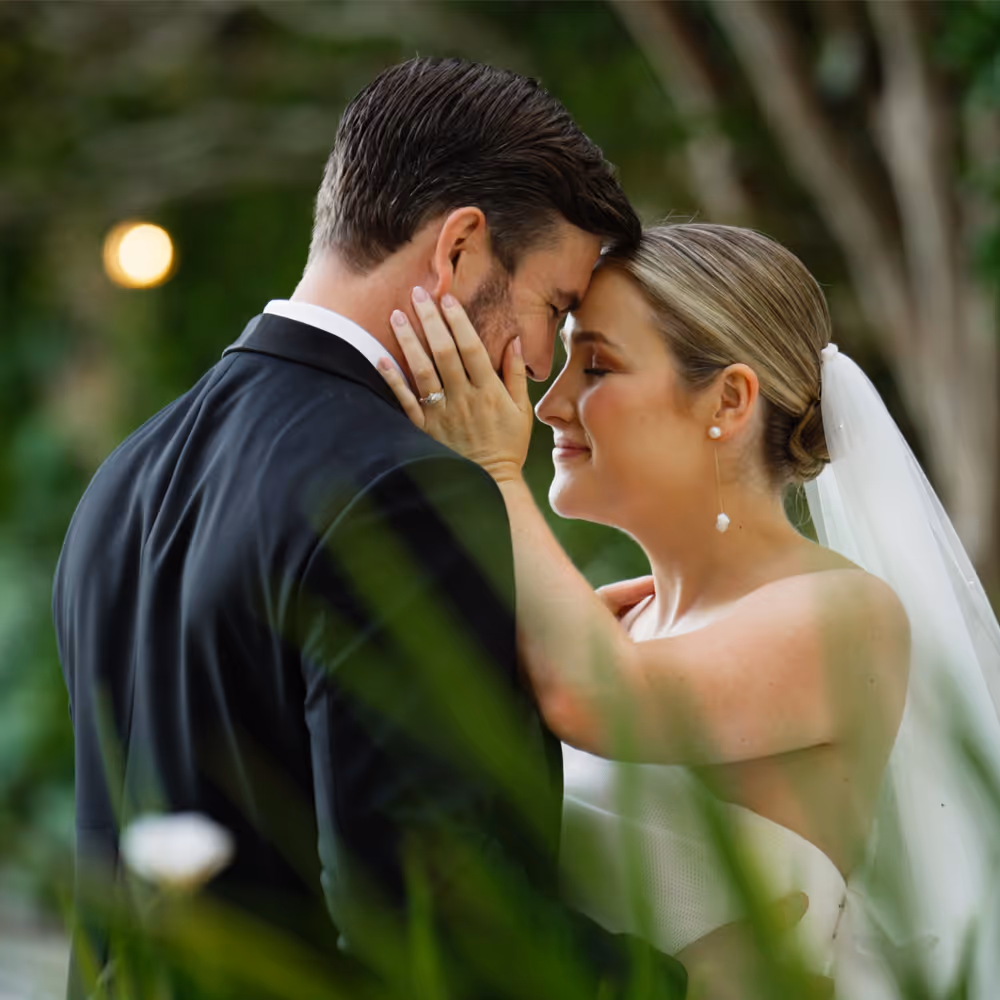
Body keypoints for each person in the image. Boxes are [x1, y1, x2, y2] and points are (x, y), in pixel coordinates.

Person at [55, 56, 710, 1000]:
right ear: (459, 250)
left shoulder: (130, 473)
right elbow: (422, 905)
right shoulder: (408, 491)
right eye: (553, 309)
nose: (535, 364)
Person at [378, 222, 1000, 998]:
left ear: (729, 400)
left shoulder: (845, 614)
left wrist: (493, 472)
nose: (552, 404)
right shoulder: (616, 632)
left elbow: (598, 700)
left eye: (597, 365)